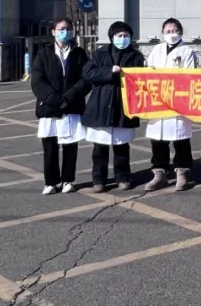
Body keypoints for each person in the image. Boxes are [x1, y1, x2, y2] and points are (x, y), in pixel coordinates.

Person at [82, 21, 146, 192]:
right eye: (119, 35)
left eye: (126, 35)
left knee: (122, 147)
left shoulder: (136, 56)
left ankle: (123, 177)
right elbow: (88, 73)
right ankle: (98, 180)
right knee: (99, 148)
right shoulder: (100, 53)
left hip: (123, 106)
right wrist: (109, 71)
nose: (122, 38)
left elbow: (140, 80)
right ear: (112, 37)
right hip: (101, 104)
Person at [30, 18, 90, 194]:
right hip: (50, 106)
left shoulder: (79, 53)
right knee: (50, 145)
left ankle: (68, 180)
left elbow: (86, 78)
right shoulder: (43, 54)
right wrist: (55, 99)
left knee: (70, 145)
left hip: (72, 104)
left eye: (68, 28)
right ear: (53, 31)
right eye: (61, 28)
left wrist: (70, 96)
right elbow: (37, 80)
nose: (65, 31)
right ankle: (51, 182)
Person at [143, 18, 200, 192]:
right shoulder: (157, 49)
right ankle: (159, 173)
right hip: (158, 101)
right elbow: (148, 70)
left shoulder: (187, 51)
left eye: (174, 31)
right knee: (158, 139)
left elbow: (190, 76)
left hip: (178, 102)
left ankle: (182, 172)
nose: (171, 34)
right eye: (167, 31)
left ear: (180, 32)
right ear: (163, 33)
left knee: (180, 138)